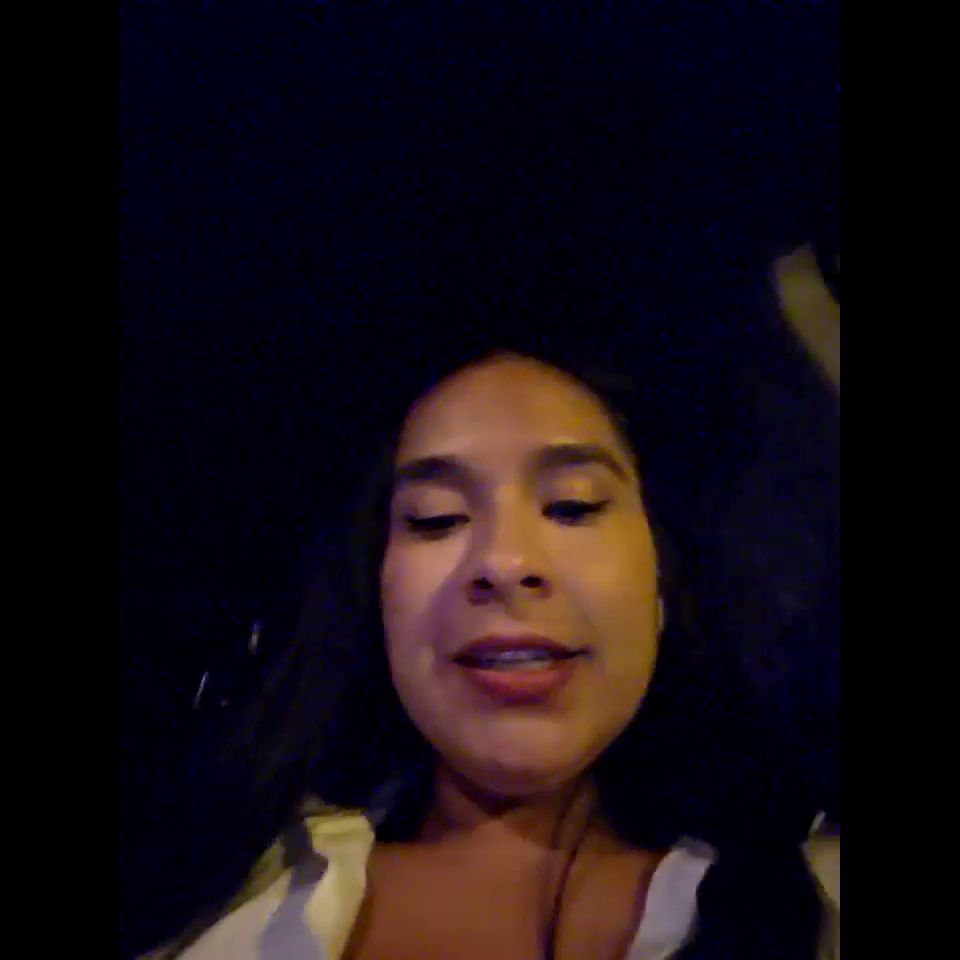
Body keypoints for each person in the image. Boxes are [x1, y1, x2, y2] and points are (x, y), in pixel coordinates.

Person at [140, 344, 839, 960]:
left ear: (660, 588)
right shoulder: (207, 885)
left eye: (572, 506)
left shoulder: (809, 904)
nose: (505, 562)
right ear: (378, 598)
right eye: (436, 519)